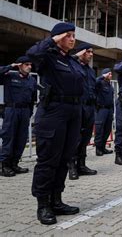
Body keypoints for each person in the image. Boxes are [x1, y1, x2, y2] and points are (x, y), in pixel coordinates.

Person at [27, 22, 83, 225]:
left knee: (64, 159)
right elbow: (32, 55)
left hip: (73, 112)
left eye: (73, 35)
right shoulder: (47, 57)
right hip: (53, 112)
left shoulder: (72, 61)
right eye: (68, 35)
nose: (72, 38)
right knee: (48, 160)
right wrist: (52, 40)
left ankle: (56, 200)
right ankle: (43, 205)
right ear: (58, 37)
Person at [0, 56, 36, 177]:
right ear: (20, 65)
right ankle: (4, 165)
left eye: (30, 65)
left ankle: (14, 164)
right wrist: (11, 66)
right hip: (12, 110)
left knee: (21, 139)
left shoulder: (31, 80)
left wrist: (29, 113)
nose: (29, 67)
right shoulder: (10, 76)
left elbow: (32, 99)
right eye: (26, 64)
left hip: (25, 111)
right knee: (9, 137)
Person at [68, 43, 97, 180]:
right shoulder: (73, 65)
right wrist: (75, 56)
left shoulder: (90, 71)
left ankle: (81, 164)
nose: (91, 54)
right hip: (78, 106)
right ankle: (72, 166)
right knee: (75, 138)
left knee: (85, 137)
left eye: (92, 52)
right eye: (88, 52)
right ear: (81, 53)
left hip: (90, 108)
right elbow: (66, 60)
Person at [94, 68, 114, 156]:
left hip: (109, 110)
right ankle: (98, 149)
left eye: (111, 74)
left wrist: (112, 111)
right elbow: (95, 82)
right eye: (109, 74)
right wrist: (102, 76)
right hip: (101, 109)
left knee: (107, 129)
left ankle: (103, 147)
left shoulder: (110, 85)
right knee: (99, 129)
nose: (111, 75)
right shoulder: (100, 83)